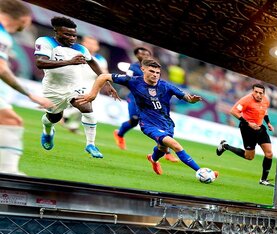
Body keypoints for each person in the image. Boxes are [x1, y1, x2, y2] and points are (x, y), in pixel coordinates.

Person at [77, 59, 216, 180]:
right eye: (152, 71)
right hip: (148, 124)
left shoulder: (166, 86)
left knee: (162, 148)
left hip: (167, 124)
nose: (155, 75)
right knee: (176, 145)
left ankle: (153, 158)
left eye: (157, 72)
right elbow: (103, 76)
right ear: (143, 70)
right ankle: (200, 171)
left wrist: (191, 100)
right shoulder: (133, 81)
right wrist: (92, 94)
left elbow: (186, 97)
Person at [35, 16, 118, 158]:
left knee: (87, 108)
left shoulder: (80, 48)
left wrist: (107, 82)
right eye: (67, 34)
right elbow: (40, 63)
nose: (72, 38)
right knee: (53, 117)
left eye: (74, 35)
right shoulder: (45, 42)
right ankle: (47, 131)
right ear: (57, 32)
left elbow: (93, 63)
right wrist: (69, 62)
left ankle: (90, 144)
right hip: (52, 88)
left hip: (75, 86)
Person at [0, 0, 52, 175]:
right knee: (12, 121)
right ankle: (8, 172)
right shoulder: (2, 36)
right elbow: (1, 69)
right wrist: (31, 95)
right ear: (23, 18)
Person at [216, 83, 275, 186]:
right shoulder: (246, 100)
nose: (257, 94)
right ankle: (225, 146)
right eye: (255, 92)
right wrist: (248, 123)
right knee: (249, 157)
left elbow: (264, 111)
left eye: (260, 93)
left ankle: (263, 180)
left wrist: (268, 123)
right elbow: (233, 111)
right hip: (247, 129)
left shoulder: (266, 100)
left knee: (269, 154)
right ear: (252, 91)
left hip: (260, 128)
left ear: (263, 94)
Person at [62, 35, 105, 133]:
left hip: (92, 85)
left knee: (86, 107)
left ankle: (73, 124)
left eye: (93, 44)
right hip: (76, 82)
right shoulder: (76, 54)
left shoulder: (101, 59)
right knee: (79, 103)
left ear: (97, 47)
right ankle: (65, 116)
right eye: (88, 43)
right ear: (83, 43)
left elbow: (104, 73)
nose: (90, 46)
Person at [112, 46, 150, 150]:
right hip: (134, 97)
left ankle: (167, 153)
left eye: (147, 54)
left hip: (148, 99)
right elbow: (127, 80)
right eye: (142, 54)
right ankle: (119, 134)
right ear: (137, 55)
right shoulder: (133, 67)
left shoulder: (153, 68)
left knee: (158, 123)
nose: (144, 56)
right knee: (134, 120)